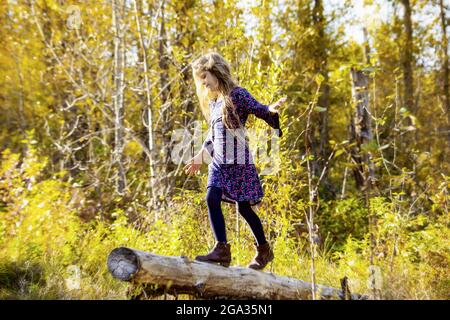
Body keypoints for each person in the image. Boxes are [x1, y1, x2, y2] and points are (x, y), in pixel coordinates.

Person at [184, 51, 287, 270]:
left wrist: (271, 109)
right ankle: (222, 249)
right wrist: (200, 155)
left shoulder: (238, 95)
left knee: (244, 209)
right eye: (200, 79)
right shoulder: (214, 103)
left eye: (205, 77)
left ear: (216, 72)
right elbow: (213, 137)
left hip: (239, 161)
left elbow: (259, 109)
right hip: (219, 163)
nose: (203, 83)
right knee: (212, 196)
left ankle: (263, 250)